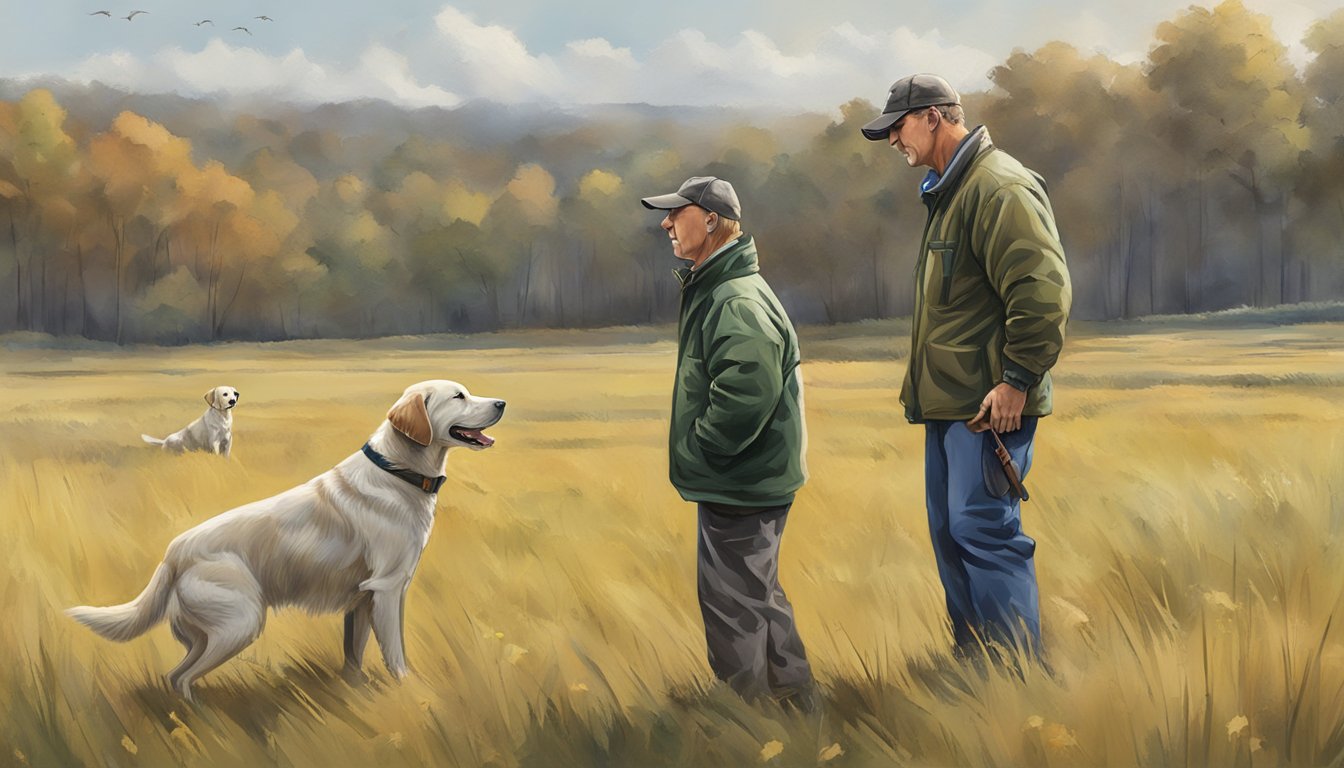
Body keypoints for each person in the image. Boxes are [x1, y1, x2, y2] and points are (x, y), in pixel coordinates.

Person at [860, 74, 1072, 659]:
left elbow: (1042, 290)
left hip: (989, 409)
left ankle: (1017, 676)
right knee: (952, 537)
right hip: (952, 406)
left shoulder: (998, 186)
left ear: (932, 117)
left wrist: (1017, 381)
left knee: (984, 532)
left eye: (897, 127)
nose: (892, 141)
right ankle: (976, 672)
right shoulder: (952, 191)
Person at [639, 176, 816, 709]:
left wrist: (701, 448)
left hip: (742, 481)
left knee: (733, 604)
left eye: (678, 213)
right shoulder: (721, 288)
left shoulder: (733, 299)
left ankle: (748, 718)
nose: (666, 223)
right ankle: (796, 707)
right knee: (758, 597)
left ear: (712, 220)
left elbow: (746, 392)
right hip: (749, 480)